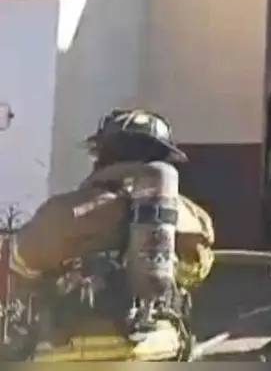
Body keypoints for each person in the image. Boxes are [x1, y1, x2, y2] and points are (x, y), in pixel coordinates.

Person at [0, 108, 215, 361]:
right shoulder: (191, 217)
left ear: (100, 155)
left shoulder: (62, 212)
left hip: (68, 352)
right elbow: (196, 270)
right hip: (154, 348)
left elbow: (20, 264)